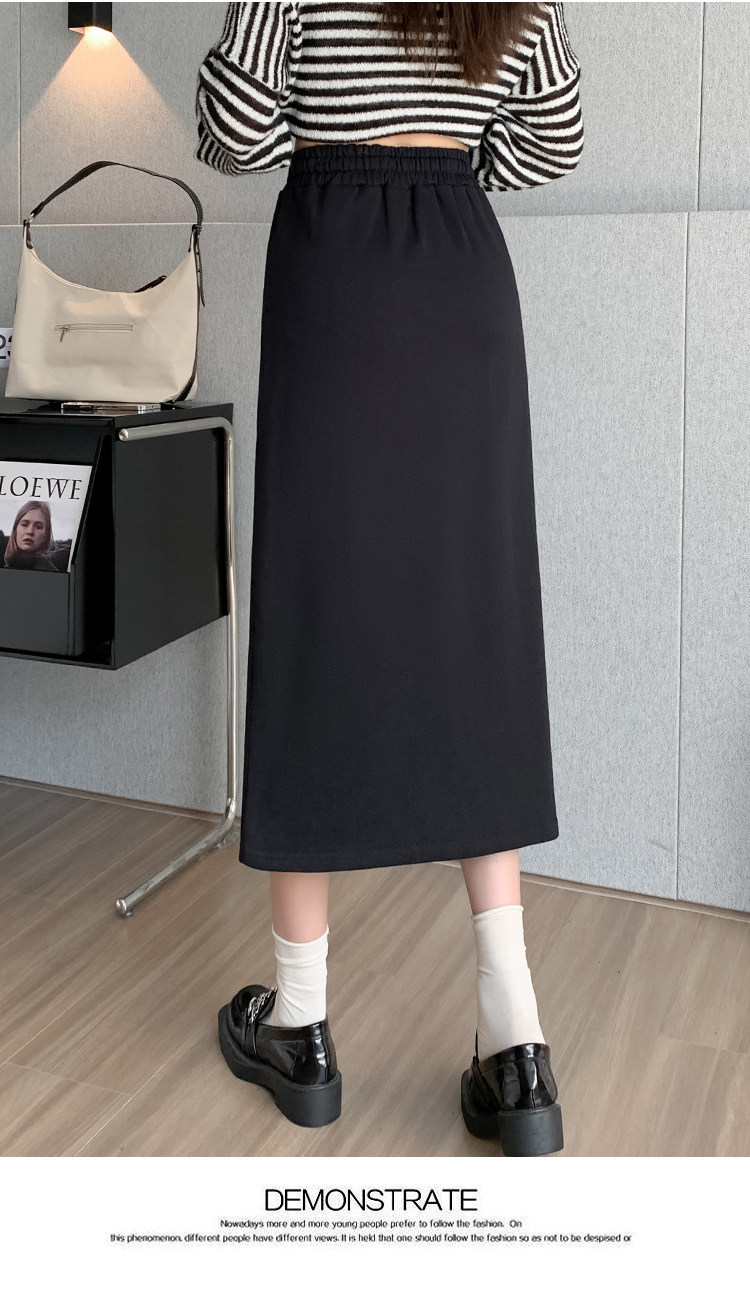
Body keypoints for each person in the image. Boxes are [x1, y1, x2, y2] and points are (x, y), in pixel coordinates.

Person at [195, 0, 584, 1157]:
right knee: (476, 623)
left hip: (338, 281)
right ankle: (517, 1041)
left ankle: (301, 1022)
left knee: (318, 620)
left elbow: (232, 131)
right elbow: (552, 139)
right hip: (463, 273)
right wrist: (444, 155)